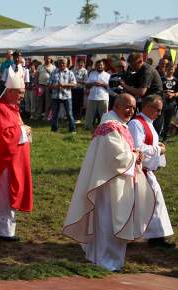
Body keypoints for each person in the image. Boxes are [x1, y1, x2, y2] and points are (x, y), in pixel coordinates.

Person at [63, 93, 156, 272]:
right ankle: (106, 261)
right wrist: (135, 155)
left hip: (115, 180)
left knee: (110, 221)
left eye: (133, 107)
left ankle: (105, 258)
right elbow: (117, 157)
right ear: (117, 106)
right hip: (109, 183)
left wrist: (134, 153)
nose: (131, 110)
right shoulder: (110, 126)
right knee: (109, 222)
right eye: (127, 106)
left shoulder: (118, 124)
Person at [0, 67, 33, 241]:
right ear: (10, 92)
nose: (22, 96)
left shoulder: (12, 108)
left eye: (23, 92)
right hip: (7, 161)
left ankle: (6, 228)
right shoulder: (1, 109)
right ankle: (3, 231)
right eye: (20, 92)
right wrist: (23, 130)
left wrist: (22, 130)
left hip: (17, 160)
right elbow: (4, 136)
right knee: (5, 195)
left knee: (9, 194)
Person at [128, 95, 174, 247]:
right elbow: (136, 148)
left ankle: (156, 237)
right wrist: (158, 149)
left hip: (147, 172)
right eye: (158, 110)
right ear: (147, 106)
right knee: (145, 203)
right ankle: (152, 237)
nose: (159, 113)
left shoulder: (149, 124)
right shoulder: (136, 123)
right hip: (139, 171)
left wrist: (157, 147)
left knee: (154, 202)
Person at [48, 58, 77, 133]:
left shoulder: (70, 72)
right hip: (55, 96)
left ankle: (72, 130)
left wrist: (64, 85)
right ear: (58, 63)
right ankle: (54, 130)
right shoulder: (53, 72)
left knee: (69, 114)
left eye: (63, 63)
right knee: (54, 114)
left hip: (66, 96)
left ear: (67, 64)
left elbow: (74, 84)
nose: (62, 64)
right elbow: (49, 84)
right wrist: (56, 86)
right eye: (60, 63)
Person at [84, 60, 111, 130]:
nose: (100, 66)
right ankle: (88, 127)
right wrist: (93, 83)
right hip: (92, 97)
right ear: (96, 66)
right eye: (98, 65)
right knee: (89, 115)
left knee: (104, 115)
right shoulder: (92, 74)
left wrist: (101, 84)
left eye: (101, 65)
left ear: (104, 66)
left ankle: (105, 128)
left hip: (103, 98)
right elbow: (87, 85)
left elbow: (110, 87)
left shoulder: (108, 75)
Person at [159, 63, 178, 141]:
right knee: (159, 120)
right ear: (165, 69)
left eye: (172, 69)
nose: (170, 71)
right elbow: (158, 90)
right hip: (162, 103)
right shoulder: (161, 79)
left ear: (174, 70)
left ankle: (164, 138)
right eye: (168, 69)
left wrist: (173, 95)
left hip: (172, 103)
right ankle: (157, 136)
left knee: (168, 121)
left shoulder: (176, 80)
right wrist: (163, 94)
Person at [35, 56, 56, 120]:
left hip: (48, 86)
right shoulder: (40, 66)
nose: (47, 59)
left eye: (49, 58)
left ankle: (46, 116)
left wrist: (49, 71)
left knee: (48, 102)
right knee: (39, 101)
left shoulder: (53, 67)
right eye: (46, 58)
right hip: (40, 86)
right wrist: (36, 84)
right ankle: (38, 115)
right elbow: (37, 75)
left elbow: (54, 77)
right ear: (44, 59)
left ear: (51, 59)